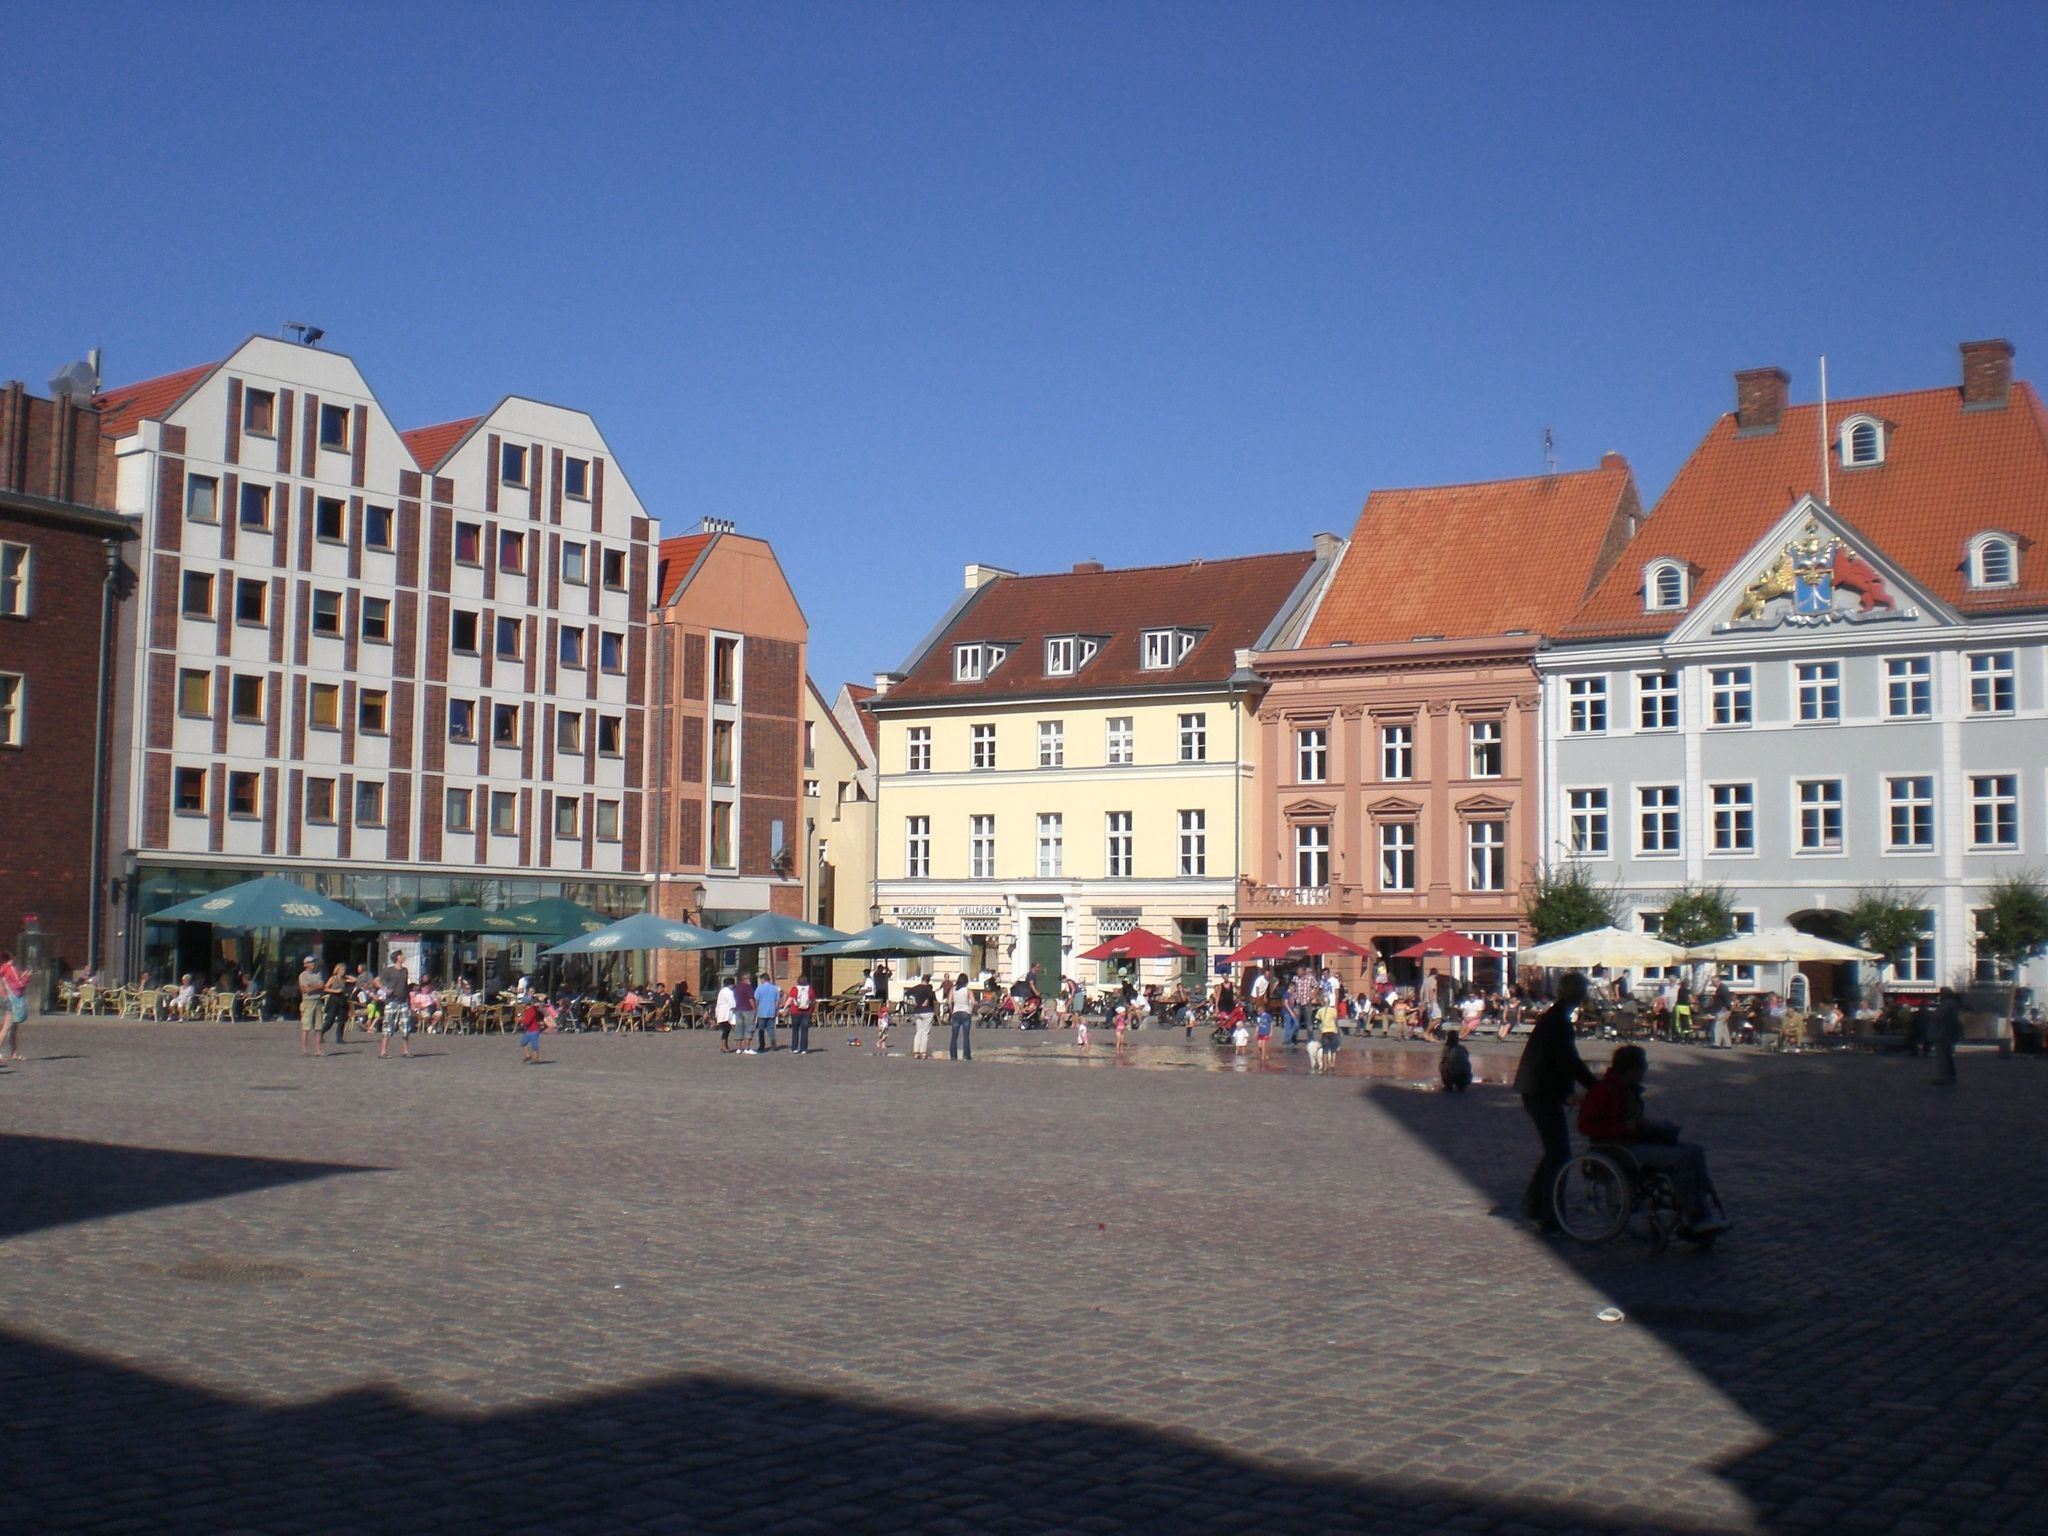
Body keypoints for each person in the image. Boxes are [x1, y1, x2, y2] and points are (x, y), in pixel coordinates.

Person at [1579, 1045, 1730, 1236]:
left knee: (1695, 1152)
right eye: (1643, 1067)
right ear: (1633, 1069)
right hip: (1617, 1149)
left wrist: (1645, 1125)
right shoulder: (1603, 1090)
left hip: (1633, 1142)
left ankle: (1703, 1210)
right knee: (1680, 1158)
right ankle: (1695, 1216)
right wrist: (1626, 1127)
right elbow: (1585, 1126)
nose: (1645, 1071)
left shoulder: (1627, 1089)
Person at [1513, 971, 1596, 1235]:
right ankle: (1551, 1216)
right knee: (1560, 1154)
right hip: (1542, 1094)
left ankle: (1536, 1205)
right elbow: (1565, 1062)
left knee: (1554, 1152)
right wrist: (1593, 1087)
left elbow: (1564, 1061)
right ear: (1578, 994)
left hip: (1538, 1091)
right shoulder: (1558, 1022)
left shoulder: (1556, 1017)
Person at [377, 950, 412, 1059]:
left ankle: (405, 1051)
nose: (403, 957)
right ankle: (383, 1051)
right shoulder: (389, 970)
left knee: (405, 1027)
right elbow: (376, 981)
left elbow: (405, 986)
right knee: (388, 1026)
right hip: (392, 1001)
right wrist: (384, 989)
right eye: (401, 955)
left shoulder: (405, 971)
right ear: (397, 957)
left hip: (403, 1001)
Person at [0, 949, 32, 1061]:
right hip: (12, 1000)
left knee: (12, 1027)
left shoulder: (3, 969)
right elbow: (19, 984)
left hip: (5, 998)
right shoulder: (11, 969)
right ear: (12, 958)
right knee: (7, 1027)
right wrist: (27, 976)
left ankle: (14, 1052)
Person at [1931, 986, 1963, 1086]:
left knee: (1943, 1057)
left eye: (1941, 993)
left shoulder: (1947, 1004)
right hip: (1947, 1033)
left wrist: (1930, 1014)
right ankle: (1948, 1077)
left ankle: (1945, 1078)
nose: (1939, 996)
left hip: (1943, 1033)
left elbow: (1938, 1016)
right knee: (1946, 1056)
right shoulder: (1952, 1003)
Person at [297, 956, 325, 1057]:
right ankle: (304, 1049)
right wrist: (316, 986)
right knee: (306, 1026)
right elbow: (305, 990)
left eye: (314, 961)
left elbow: (322, 986)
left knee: (318, 1026)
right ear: (306, 964)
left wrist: (312, 987)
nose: (313, 963)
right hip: (308, 1002)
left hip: (318, 1001)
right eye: (311, 962)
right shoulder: (303, 976)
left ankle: (318, 1049)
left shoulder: (318, 973)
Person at [905, 973, 936, 1058]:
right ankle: (923, 1053)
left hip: (917, 1011)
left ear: (922, 980)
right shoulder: (929, 989)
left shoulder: (915, 988)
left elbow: (907, 994)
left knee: (918, 1031)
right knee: (925, 1032)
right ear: (928, 981)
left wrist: (914, 1001)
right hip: (927, 1011)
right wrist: (926, 1000)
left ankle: (916, 1052)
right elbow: (932, 997)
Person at [322, 963, 351, 1045]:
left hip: (342, 999)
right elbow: (325, 988)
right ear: (337, 970)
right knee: (330, 1020)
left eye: (344, 970)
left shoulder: (344, 979)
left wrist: (347, 976)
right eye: (341, 970)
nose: (343, 972)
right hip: (334, 999)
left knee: (342, 1020)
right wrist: (334, 991)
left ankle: (339, 1038)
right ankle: (321, 1032)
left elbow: (354, 980)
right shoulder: (332, 978)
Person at [788, 974, 816, 1055]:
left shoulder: (794, 989)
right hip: (807, 1012)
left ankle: (794, 1048)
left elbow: (790, 999)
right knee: (805, 1031)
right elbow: (813, 1001)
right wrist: (812, 1010)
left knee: (795, 1030)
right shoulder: (810, 989)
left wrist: (784, 1008)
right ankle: (804, 1049)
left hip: (795, 1012)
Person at [714, 975, 738, 1052]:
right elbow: (732, 1004)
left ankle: (724, 1046)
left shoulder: (722, 991)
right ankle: (723, 1046)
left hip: (721, 1013)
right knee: (726, 1029)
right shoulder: (728, 992)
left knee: (726, 1029)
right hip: (726, 1013)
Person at [519, 997, 544, 1064]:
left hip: (534, 1030)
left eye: (522, 1003)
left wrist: (520, 1020)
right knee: (523, 1043)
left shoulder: (531, 1010)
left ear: (526, 1003)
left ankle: (536, 1059)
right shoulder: (528, 1010)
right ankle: (528, 1056)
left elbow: (527, 1022)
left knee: (534, 1045)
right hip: (529, 1030)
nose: (521, 1004)